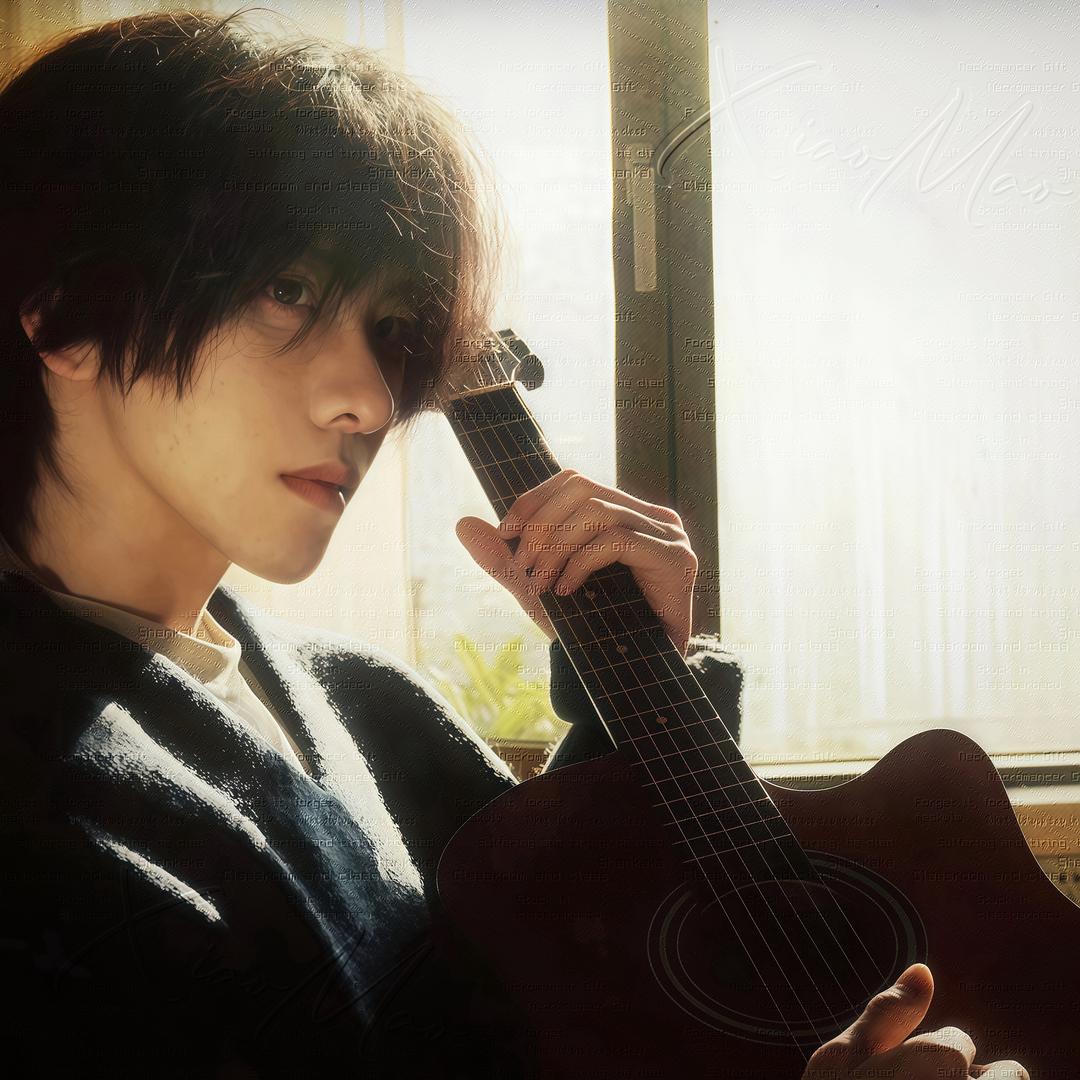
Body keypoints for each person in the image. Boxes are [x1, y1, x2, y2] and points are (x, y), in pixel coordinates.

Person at [0, 9, 1029, 1079]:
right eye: (288, 290)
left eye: (392, 329)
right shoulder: (31, 808)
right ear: (67, 309)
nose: (372, 398)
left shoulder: (368, 703)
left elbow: (567, 981)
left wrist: (641, 679)